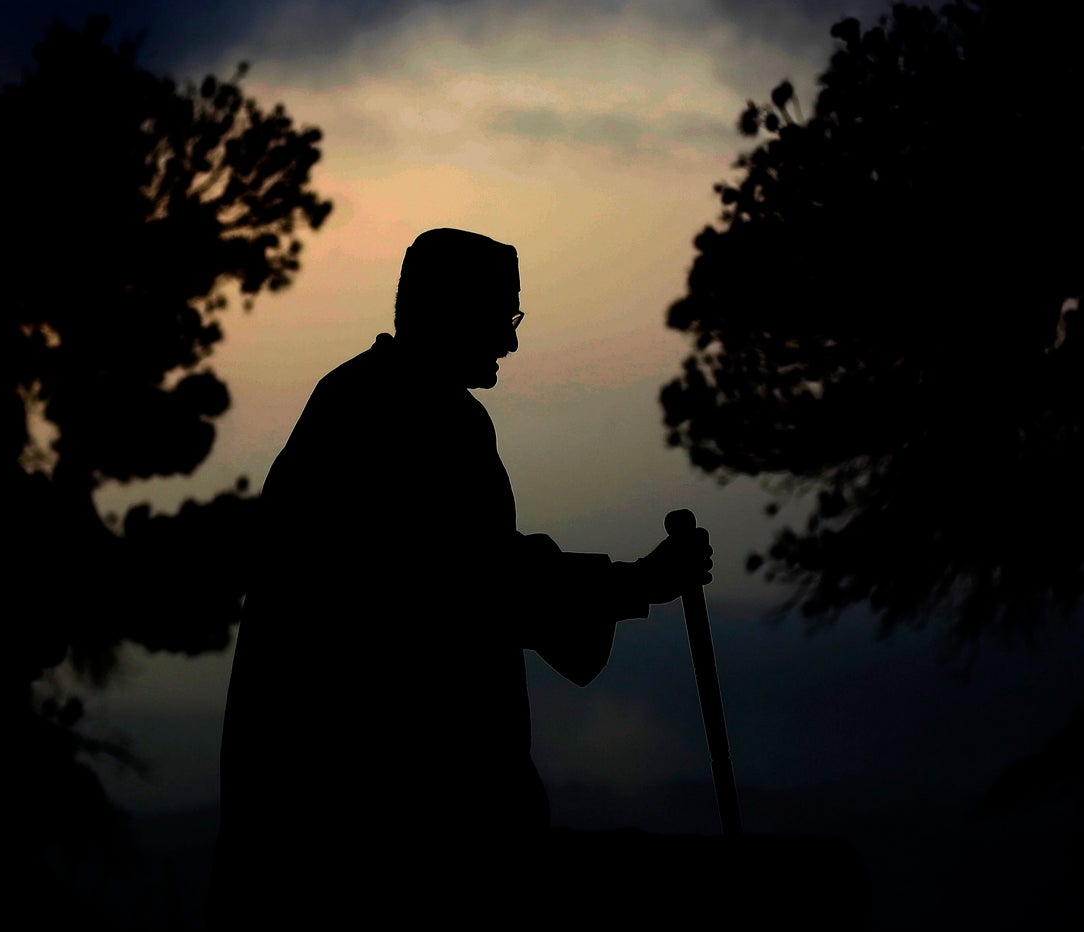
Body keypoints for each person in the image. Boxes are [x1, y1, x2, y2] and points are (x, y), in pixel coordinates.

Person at [208, 228, 713, 927]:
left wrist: (627, 583)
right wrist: (635, 583)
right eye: (502, 319)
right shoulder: (419, 418)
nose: (509, 344)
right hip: (381, 826)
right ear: (449, 311)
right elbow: (477, 584)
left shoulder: (362, 401)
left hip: (316, 812)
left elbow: (478, 568)